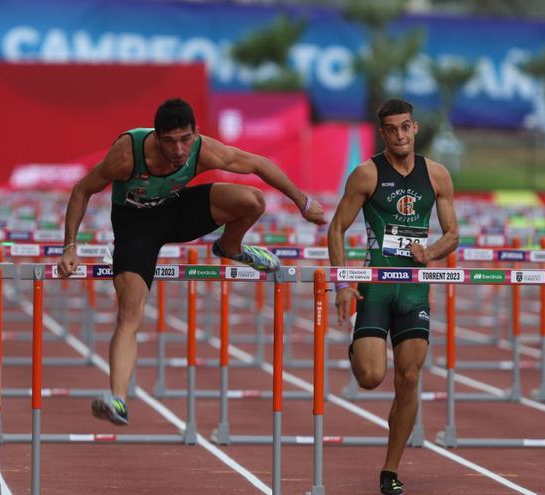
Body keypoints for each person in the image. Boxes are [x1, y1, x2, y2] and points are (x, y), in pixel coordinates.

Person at [57, 98, 326, 425]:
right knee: (130, 313)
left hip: (176, 210)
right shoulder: (128, 153)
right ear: (156, 137)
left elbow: (257, 163)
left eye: (185, 139)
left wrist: (303, 202)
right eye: (170, 142)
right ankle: (118, 398)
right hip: (135, 225)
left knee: (252, 200)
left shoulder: (204, 150)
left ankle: (230, 246)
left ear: (196, 134)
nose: (179, 150)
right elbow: (82, 190)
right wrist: (70, 246)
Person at [327, 98, 458, 495]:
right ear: (382, 133)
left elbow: (453, 233)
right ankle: (358, 349)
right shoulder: (366, 174)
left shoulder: (436, 175)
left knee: (409, 377)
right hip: (376, 286)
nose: (400, 135)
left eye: (405, 127)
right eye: (391, 129)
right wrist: (343, 283)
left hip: (414, 289)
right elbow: (336, 228)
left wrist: (430, 253)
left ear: (415, 128)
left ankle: (390, 470)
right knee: (370, 378)